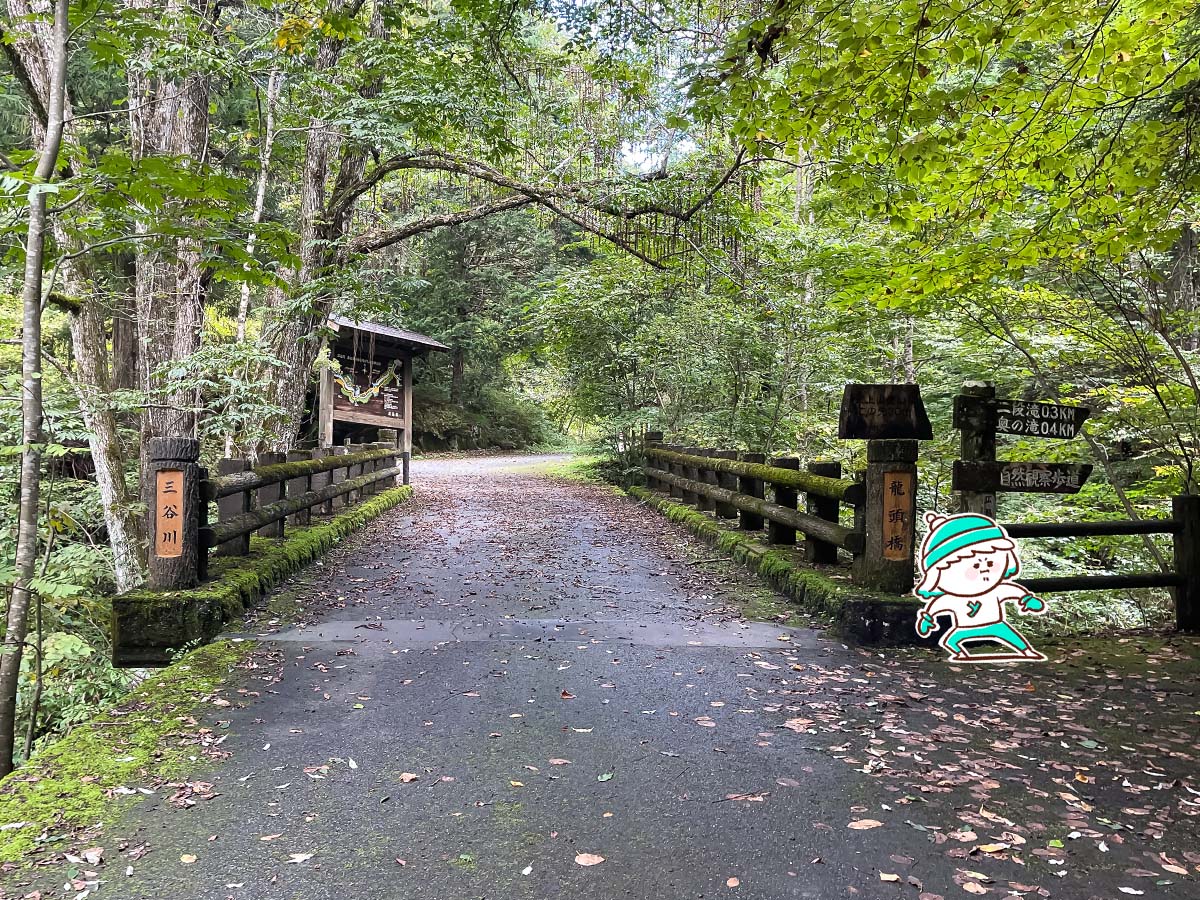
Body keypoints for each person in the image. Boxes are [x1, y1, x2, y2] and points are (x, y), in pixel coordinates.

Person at [913, 511, 1047, 661]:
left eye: (991, 563)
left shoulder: (995, 590)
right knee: (949, 641)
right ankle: (960, 653)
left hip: (995, 623)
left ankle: (1027, 651)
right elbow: (936, 607)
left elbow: (1013, 591)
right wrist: (928, 618)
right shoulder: (952, 599)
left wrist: (1026, 599)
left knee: (1011, 636)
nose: (984, 569)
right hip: (964, 628)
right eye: (974, 565)